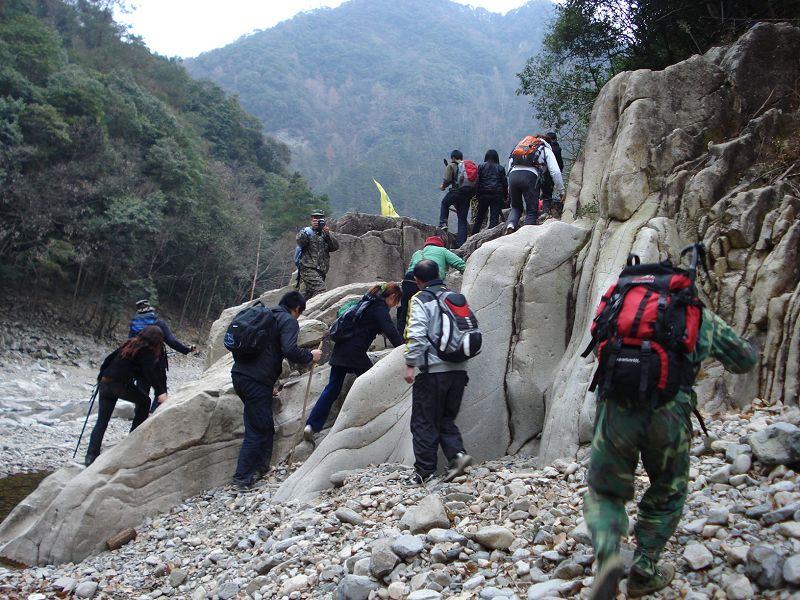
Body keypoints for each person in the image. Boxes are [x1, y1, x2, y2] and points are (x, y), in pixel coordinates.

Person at [584, 307, 757, 599]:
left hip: (614, 410)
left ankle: (607, 558)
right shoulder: (693, 312)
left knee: (605, 492)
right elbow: (743, 361)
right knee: (667, 488)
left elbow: (596, 343)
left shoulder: (619, 305)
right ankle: (644, 565)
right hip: (668, 412)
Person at [230, 291, 321, 487]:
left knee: (264, 424)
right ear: (297, 309)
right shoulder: (288, 321)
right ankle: (241, 478)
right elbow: (289, 349)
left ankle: (262, 468)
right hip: (256, 381)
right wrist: (310, 356)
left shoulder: (266, 315)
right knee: (256, 429)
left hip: (240, 376)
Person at [303, 282, 405, 442]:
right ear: (392, 297)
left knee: (332, 388)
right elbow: (391, 332)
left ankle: (311, 425)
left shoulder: (367, 302)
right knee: (373, 383)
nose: (394, 306)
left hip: (340, 349)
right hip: (355, 353)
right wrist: (404, 350)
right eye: (396, 302)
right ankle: (373, 421)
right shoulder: (380, 308)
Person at [403, 259, 472, 484]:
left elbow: (416, 334)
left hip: (433, 371)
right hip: (459, 370)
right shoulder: (454, 297)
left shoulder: (421, 299)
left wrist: (410, 364)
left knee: (423, 421)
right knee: (445, 418)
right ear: (439, 275)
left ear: (417, 280)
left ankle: (424, 472)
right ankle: (458, 456)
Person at [85, 325, 168, 466]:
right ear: (156, 340)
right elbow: (149, 373)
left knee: (102, 421)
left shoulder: (130, 344)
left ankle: (90, 457)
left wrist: (100, 378)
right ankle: (133, 439)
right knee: (145, 402)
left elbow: (108, 360)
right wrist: (160, 392)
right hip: (120, 385)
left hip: (105, 383)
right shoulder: (147, 351)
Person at [129, 299, 196, 413]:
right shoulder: (159, 323)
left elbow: (129, 343)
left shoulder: (135, 324)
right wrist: (187, 349)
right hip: (157, 362)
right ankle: (155, 414)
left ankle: (140, 416)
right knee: (161, 391)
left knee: (142, 391)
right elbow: (172, 341)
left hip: (140, 363)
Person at [396, 236, 466, 331]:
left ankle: (400, 338)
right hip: (428, 282)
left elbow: (409, 270)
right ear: (440, 244)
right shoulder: (443, 251)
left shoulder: (418, 253)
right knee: (432, 312)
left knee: (405, 312)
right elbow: (460, 264)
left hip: (409, 281)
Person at [505, 135, 565, 233]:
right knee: (531, 211)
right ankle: (527, 235)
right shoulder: (545, 149)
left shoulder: (521, 147)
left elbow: (510, 163)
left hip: (513, 176)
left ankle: (511, 225)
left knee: (516, 207)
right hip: (530, 177)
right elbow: (555, 172)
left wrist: (509, 185)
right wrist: (561, 191)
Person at [296, 210, 339, 299]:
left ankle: (295, 306)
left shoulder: (326, 233)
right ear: (311, 220)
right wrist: (308, 232)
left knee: (307, 295)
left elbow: (334, 247)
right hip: (308, 268)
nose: (317, 220)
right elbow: (300, 242)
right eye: (315, 218)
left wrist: (327, 234)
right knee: (321, 290)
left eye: (320, 218)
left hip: (321, 271)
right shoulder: (306, 232)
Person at [438, 150, 473, 247]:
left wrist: (443, 186)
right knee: (462, 219)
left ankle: (443, 223)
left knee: (444, 203)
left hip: (455, 193)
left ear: (453, 157)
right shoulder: (466, 168)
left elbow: (447, 179)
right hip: (466, 195)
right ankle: (461, 244)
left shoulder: (451, 166)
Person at [472, 149, 508, 235]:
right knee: (494, 218)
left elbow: (477, 182)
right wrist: (505, 197)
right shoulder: (500, 168)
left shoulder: (481, 166)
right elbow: (505, 184)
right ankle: (491, 236)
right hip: (497, 196)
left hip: (483, 195)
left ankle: (473, 234)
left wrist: (477, 195)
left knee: (479, 217)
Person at [539, 132, 565, 219]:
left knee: (543, 194)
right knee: (548, 194)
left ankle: (541, 211)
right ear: (555, 139)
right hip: (551, 174)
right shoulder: (556, 149)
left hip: (540, 174)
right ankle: (546, 213)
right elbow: (559, 164)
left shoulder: (541, 149)